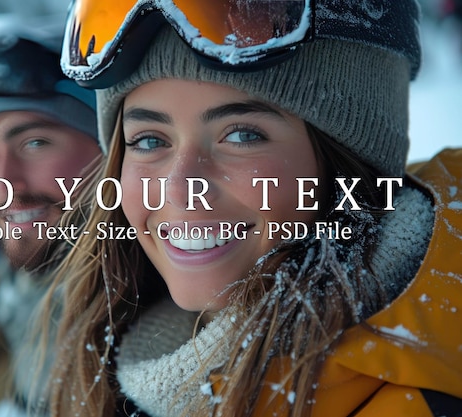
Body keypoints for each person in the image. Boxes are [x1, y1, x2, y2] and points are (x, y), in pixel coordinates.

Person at [31, 1, 462, 416]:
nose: (179, 190)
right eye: (149, 141)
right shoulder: (110, 371)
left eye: (241, 136)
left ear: (347, 164)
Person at [0, 14, 101, 417]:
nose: (3, 182)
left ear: (109, 149)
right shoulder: (4, 306)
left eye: (35, 142)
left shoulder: (163, 345)